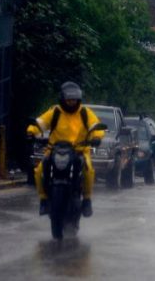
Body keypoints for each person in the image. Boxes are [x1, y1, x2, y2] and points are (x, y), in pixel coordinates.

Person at [27, 82, 104, 217]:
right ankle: (44, 200)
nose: (71, 102)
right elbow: (41, 123)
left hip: (79, 150)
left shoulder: (85, 113)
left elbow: (95, 125)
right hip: (54, 150)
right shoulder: (55, 112)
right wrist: (31, 131)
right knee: (39, 171)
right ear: (62, 99)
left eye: (74, 100)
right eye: (68, 99)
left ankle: (87, 200)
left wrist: (97, 136)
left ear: (78, 99)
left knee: (89, 170)